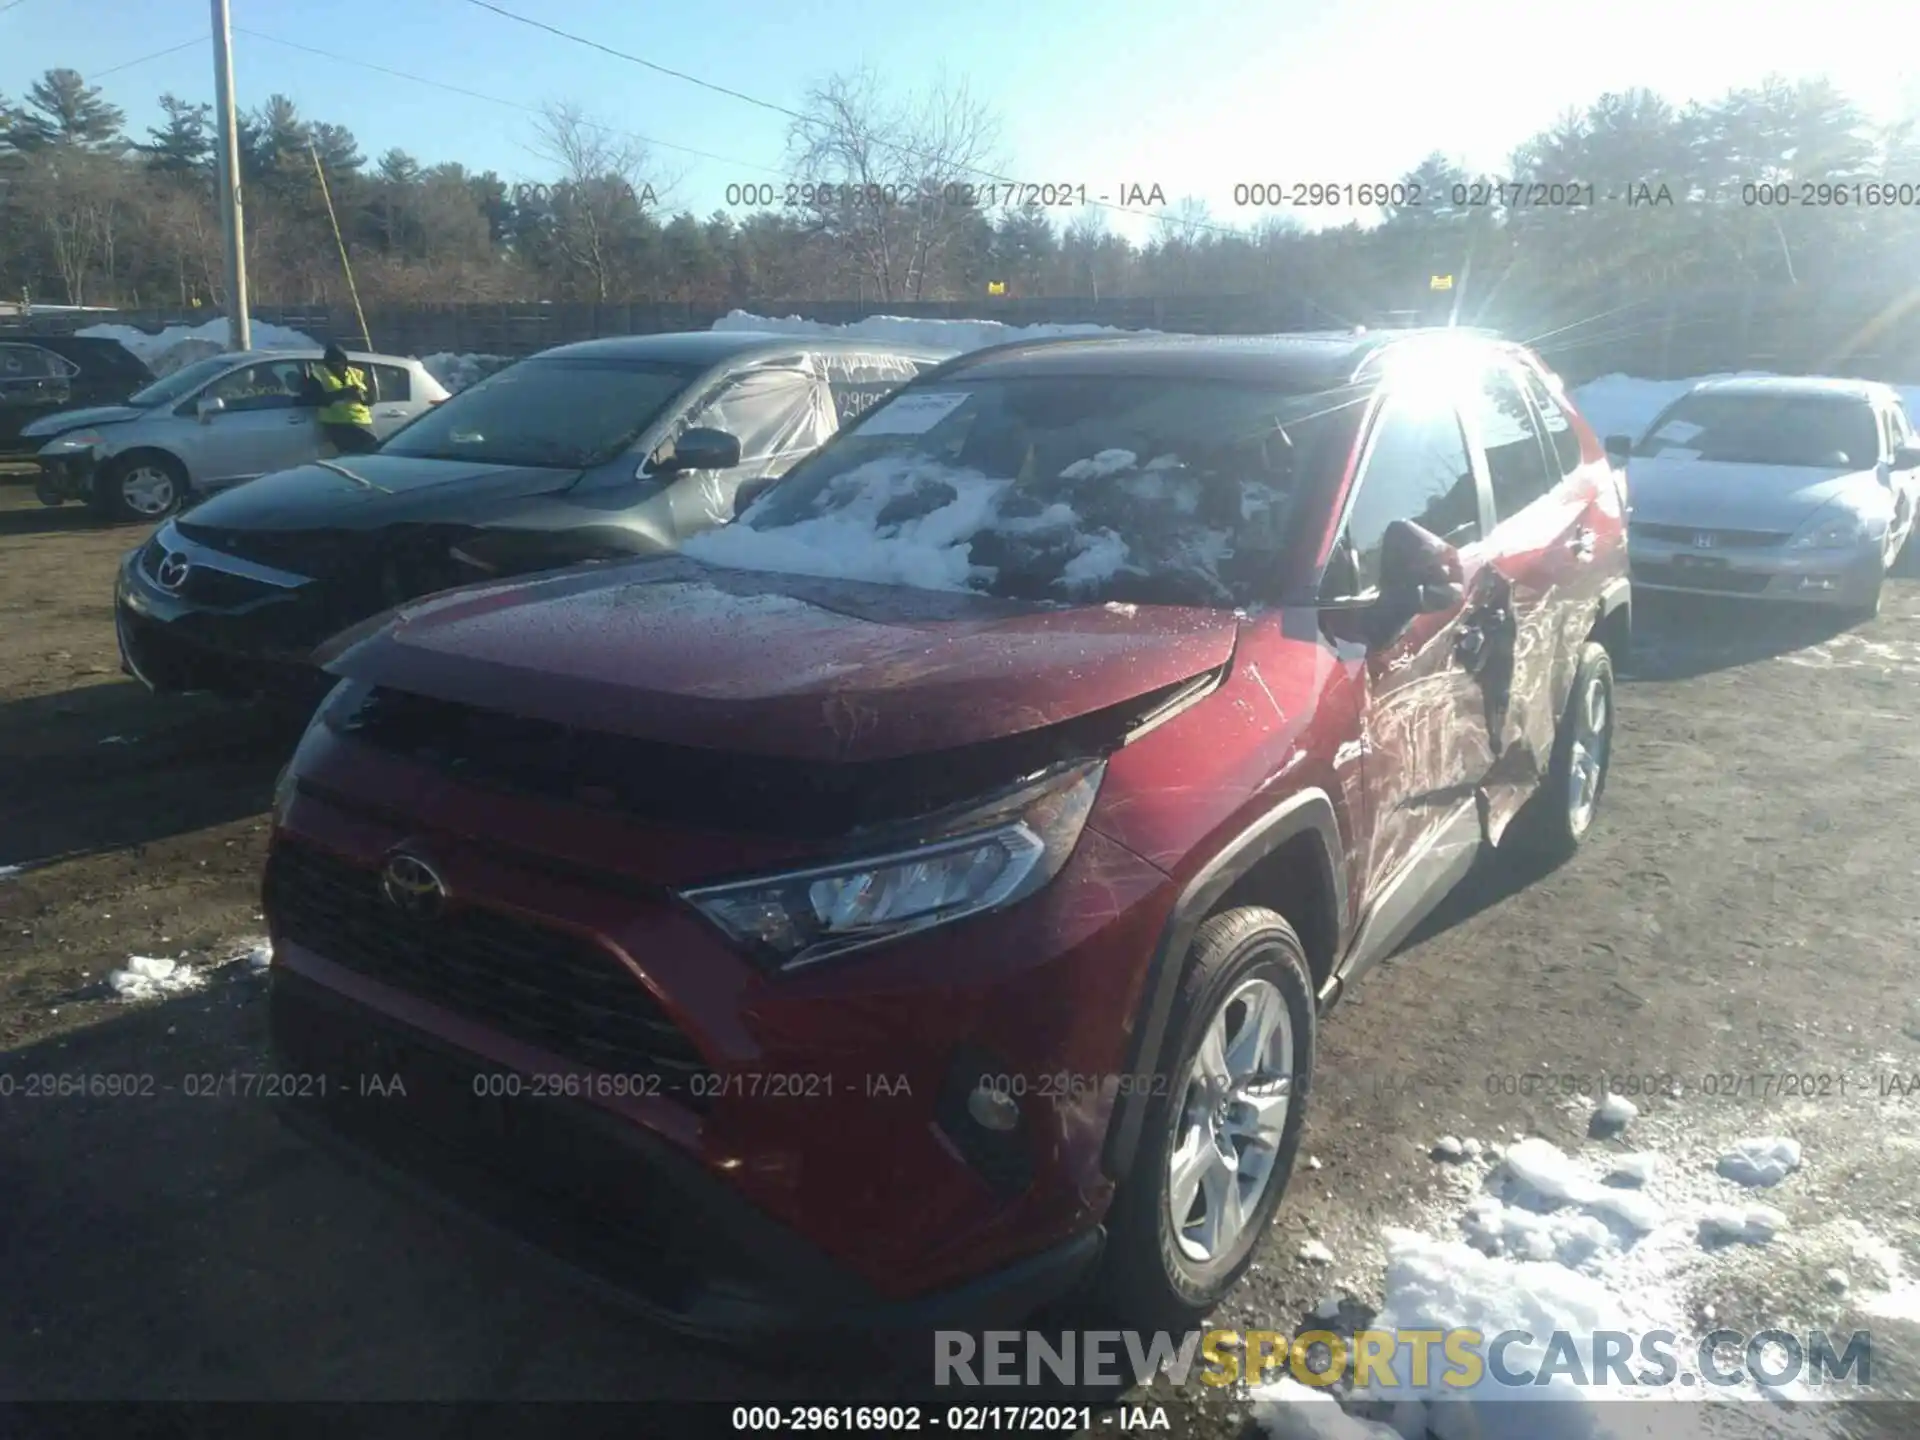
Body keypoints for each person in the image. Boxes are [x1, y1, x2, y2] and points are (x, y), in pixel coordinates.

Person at [312, 343, 378, 456]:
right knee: (356, 456)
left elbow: (370, 400)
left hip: (362, 422)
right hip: (337, 424)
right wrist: (344, 393)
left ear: (345, 361)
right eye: (332, 361)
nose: (336, 365)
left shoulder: (356, 373)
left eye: (339, 361)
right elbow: (316, 399)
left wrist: (362, 397)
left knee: (372, 453)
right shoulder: (318, 373)